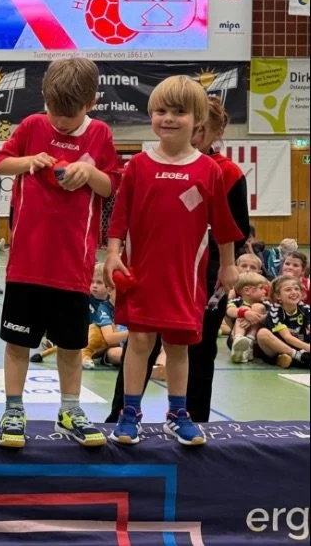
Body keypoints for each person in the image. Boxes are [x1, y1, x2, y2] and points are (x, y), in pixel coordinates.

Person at [105, 76, 241, 447]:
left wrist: (228, 264)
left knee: (179, 346)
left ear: (198, 120)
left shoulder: (209, 170)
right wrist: (113, 253)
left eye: (179, 112)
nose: (168, 118)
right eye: (161, 111)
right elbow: (119, 218)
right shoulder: (137, 166)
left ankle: (178, 414)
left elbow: (224, 226)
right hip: (140, 274)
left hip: (184, 277)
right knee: (139, 341)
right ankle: (129, 412)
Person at [0, 58, 119, 449]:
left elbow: (111, 185)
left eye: (71, 115)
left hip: (73, 267)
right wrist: (29, 161)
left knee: (71, 345)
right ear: (44, 98)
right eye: (54, 111)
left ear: (91, 103)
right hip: (26, 265)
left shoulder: (100, 134)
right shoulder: (32, 126)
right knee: (17, 343)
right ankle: (14, 409)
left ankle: (70, 409)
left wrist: (89, 174)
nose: (61, 122)